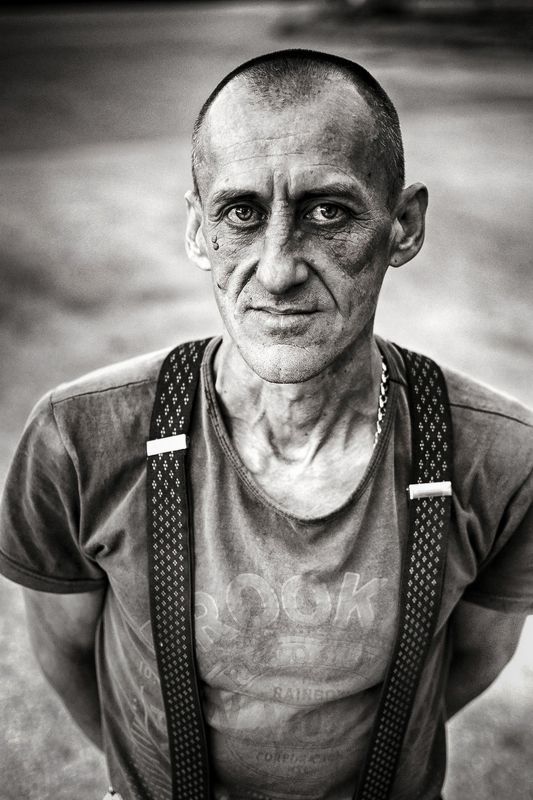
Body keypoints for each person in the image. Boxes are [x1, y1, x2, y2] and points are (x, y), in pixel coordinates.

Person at [0, 49, 532, 800]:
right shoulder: (78, 439)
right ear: (198, 232)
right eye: (241, 214)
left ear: (404, 226)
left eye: (327, 212)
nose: (278, 269)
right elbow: (66, 655)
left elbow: (472, 662)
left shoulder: (500, 457)